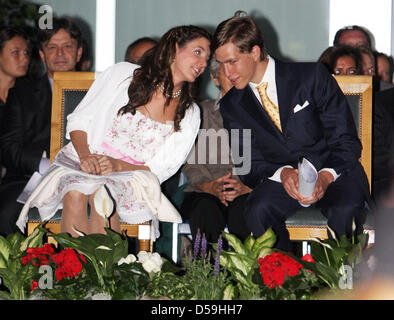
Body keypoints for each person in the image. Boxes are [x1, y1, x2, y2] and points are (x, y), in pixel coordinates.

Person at [16, 25, 212, 240]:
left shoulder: (190, 112)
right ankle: (73, 271)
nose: (203, 63)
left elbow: (162, 168)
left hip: (132, 176)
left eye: (207, 57)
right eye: (197, 52)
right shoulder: (122, 75)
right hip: (83, 160)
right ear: (174, 47)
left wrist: (117, 165)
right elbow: (79, 121)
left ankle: (105, 271)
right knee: (75, 192)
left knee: (103, 198)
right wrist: (86, 157)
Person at [212, 14, 371, 252]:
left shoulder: (311, 76)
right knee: (258, 208)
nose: (226, 72)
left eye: (232, 62)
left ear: (255, 52)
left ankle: (342, 285)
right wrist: (284, 174)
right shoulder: (232, 104)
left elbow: (346, 142)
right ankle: (284, 284)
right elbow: (248, 166)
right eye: (221, 63)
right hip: (282, 181)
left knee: (344, 210)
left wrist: (325, 177)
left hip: (336, 172)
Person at [0, 17, 83, 237]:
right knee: (7, 213)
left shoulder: (96, 92)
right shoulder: (21, 94)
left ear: (79, 53)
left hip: (85, 177)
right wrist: (46, 165)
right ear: (42, 55)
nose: (60, 54)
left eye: (67, 47)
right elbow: (8, 149)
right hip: (29, 177)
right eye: (52, 48)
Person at [181, 57, 250, 243]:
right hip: (203, 190)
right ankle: (208, 271)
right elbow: (190, 162)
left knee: (247, 209)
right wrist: (210, 186)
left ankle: (245, 271)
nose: (233, 75)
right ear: (215, 78)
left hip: (248, 191)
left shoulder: (262, 114)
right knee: (205, 209)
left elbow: (271, 160)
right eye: (225, 71)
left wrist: (247, 187)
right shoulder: (199, 113)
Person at [0, 27, 30, 182]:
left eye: (26, 53)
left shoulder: (29, 96)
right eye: (15, 53)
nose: (24, 59)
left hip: (20, 177)